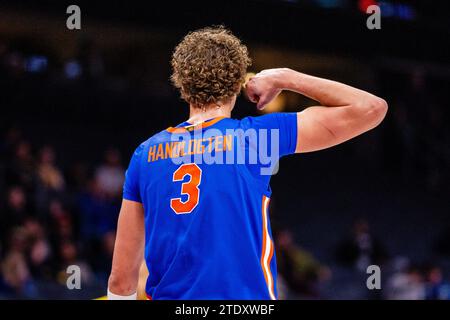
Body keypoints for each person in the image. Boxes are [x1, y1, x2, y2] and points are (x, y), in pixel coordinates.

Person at [107, 26, 387, 300]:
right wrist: (286, 77)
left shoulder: (144, 155)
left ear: (181, 82)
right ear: (237, 82)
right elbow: (371, 109)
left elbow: (121, 280)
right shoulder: (255, 139)